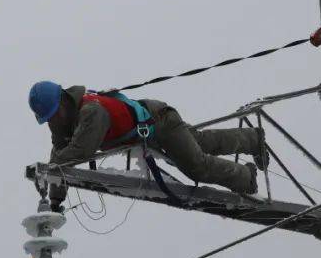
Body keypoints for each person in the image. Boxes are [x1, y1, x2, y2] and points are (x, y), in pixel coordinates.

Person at [28, 81, 267, 196]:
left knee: (196, 166)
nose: (54, 121)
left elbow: (79, 152)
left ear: (63, 101)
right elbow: (59, 157)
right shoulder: (63, 121)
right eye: (49, 119)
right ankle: (251, 138)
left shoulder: (91, 111)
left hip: (159, 122)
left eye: (55, 114)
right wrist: (56, 199)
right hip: (150, 126)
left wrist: (50, 168)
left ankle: (247, 178)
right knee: (202, 143)